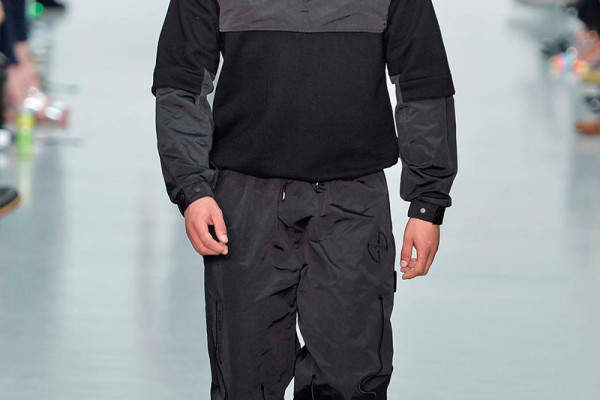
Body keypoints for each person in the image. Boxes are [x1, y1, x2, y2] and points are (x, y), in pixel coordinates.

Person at [151, 0, 457, 398]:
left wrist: (427, 202)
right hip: (246, 204)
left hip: (352, 201)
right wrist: (192, 188)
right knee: (245, 381)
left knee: (351, 379)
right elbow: (181, 75)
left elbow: (422, 76)